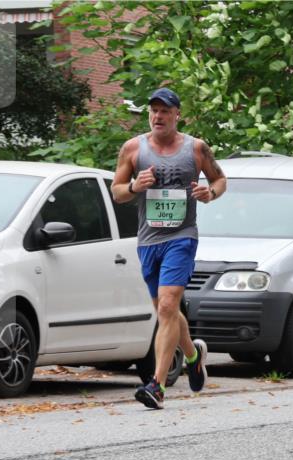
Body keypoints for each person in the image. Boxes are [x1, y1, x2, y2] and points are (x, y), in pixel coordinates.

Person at [112, 87, 227, 409]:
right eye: (154, 110)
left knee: (166, 307)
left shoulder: (196, 148)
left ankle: (157, 386)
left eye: (165, 111)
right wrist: (135, 186)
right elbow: (117, 192)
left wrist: (209, 194)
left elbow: (220, 180)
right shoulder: (133, 148)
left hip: (182, 237)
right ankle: (193, 355)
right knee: (168, 311)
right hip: (148, 241)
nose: (158, 116)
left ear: (177, 114)